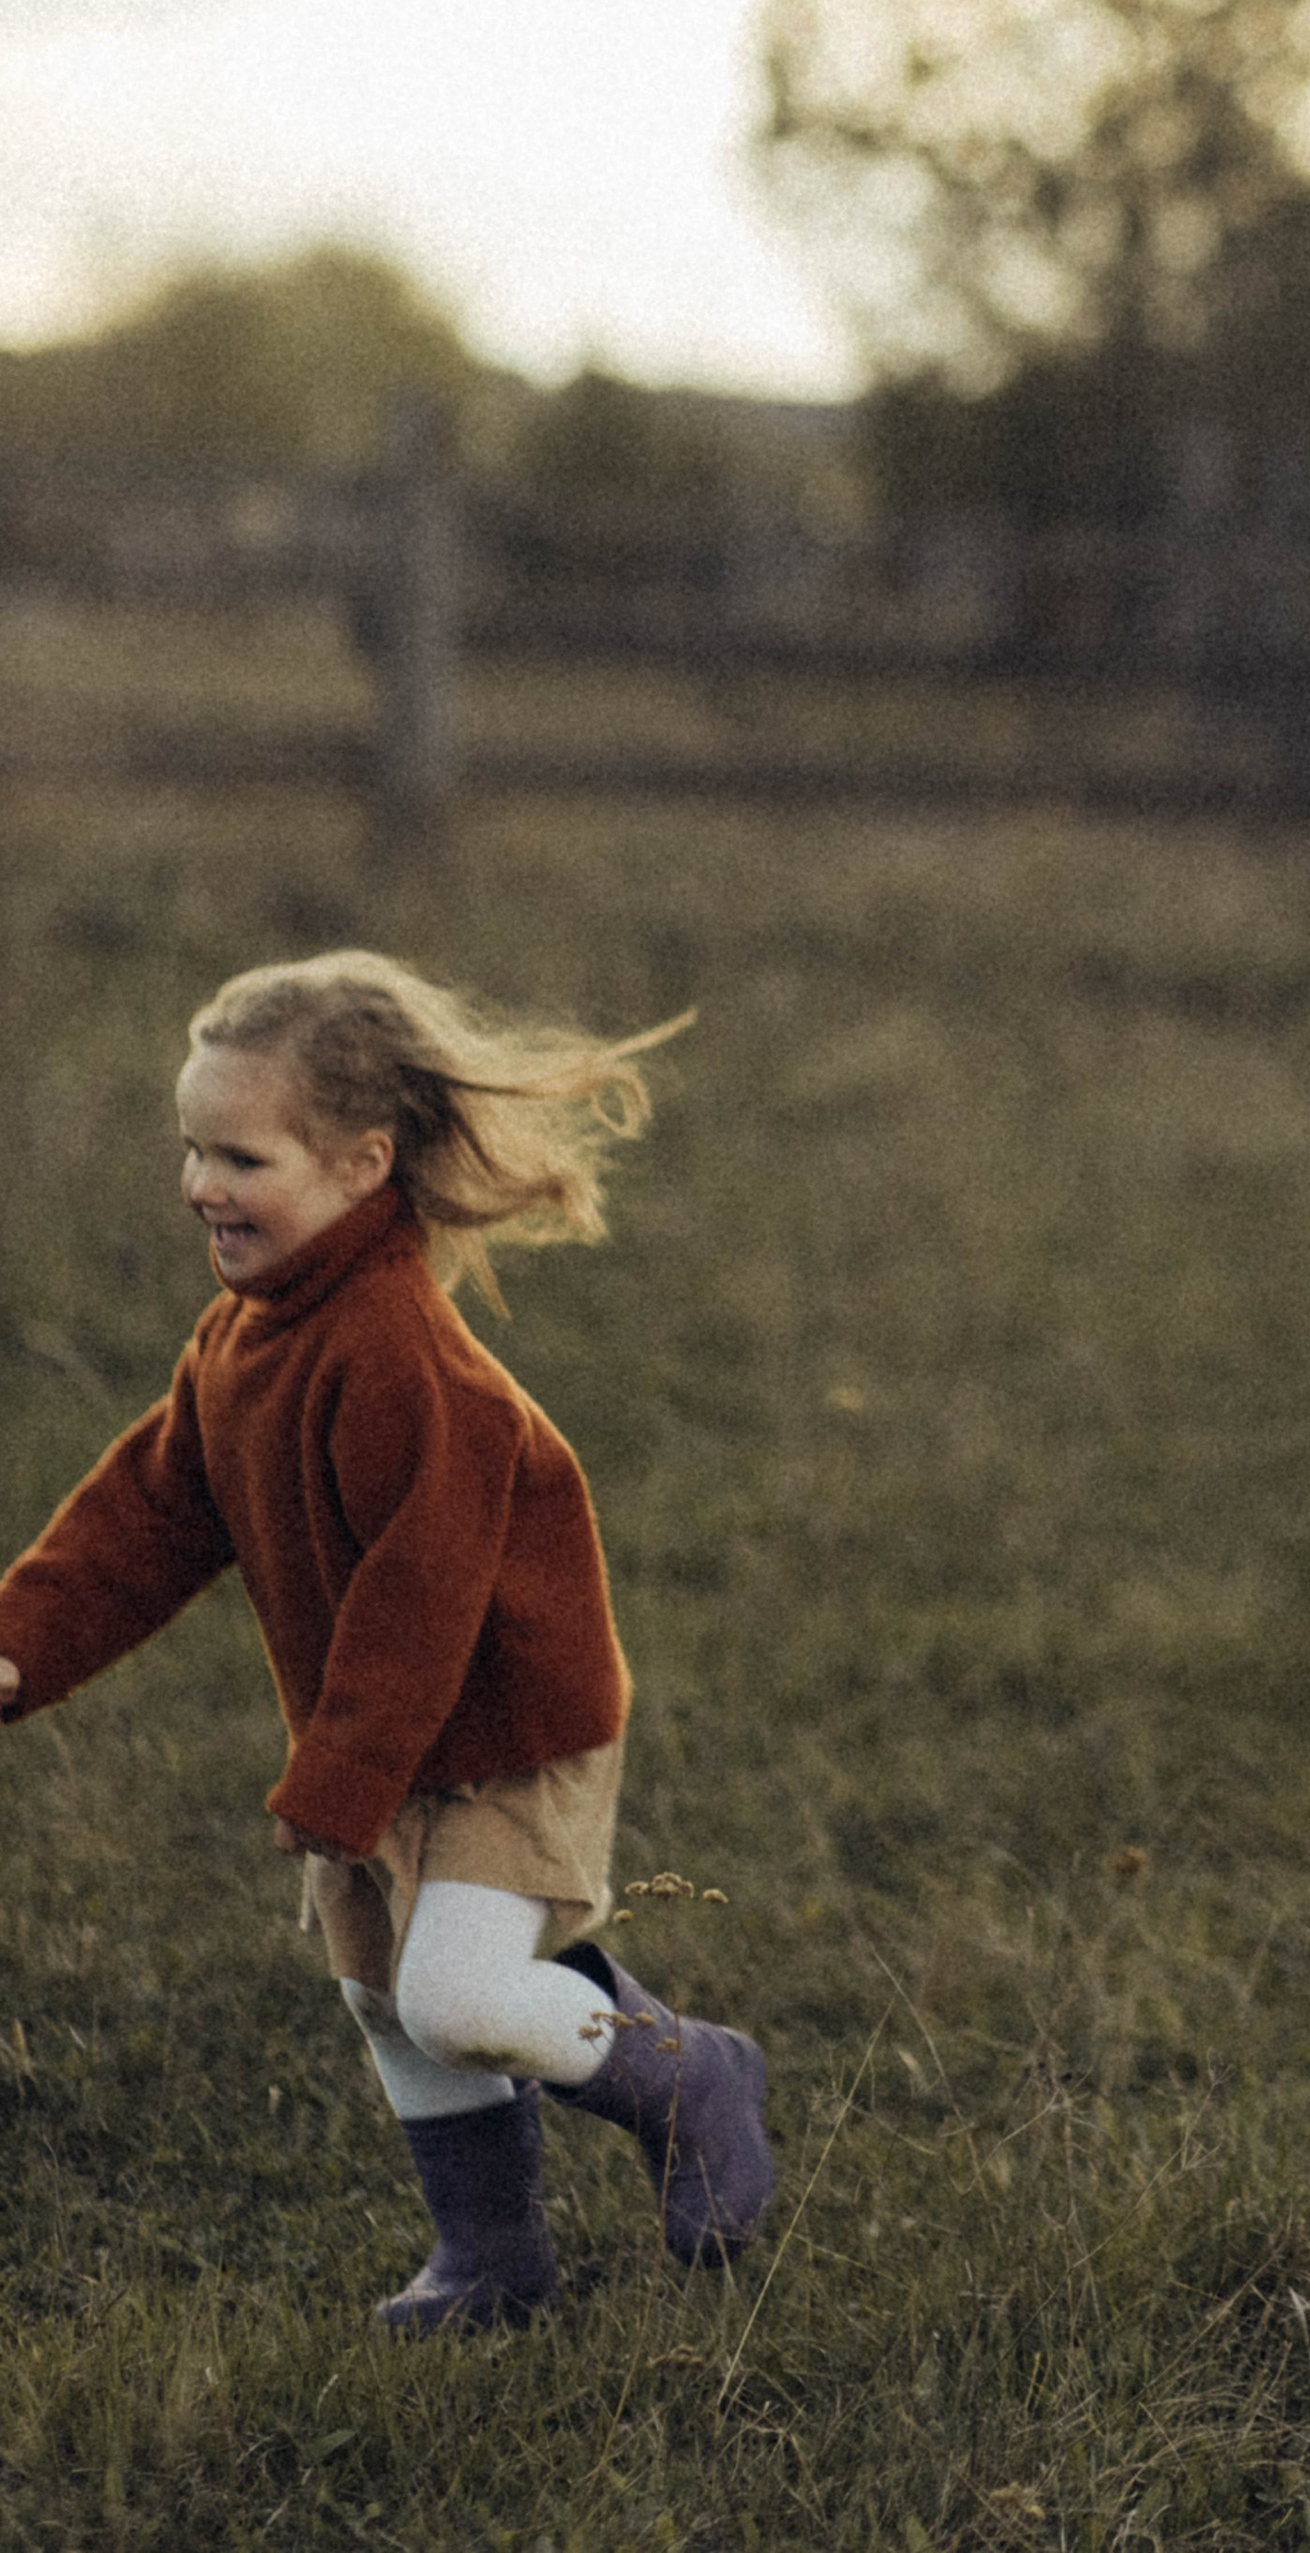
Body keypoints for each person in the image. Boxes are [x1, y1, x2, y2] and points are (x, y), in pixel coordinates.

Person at [0, 950, 777, 2335]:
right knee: (385, 2002)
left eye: (241, 1156)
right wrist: (21, 1642)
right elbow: (147, 1516)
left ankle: (688, 2074)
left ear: (363, 1167)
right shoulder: (244, 1336)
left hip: (502, 1728)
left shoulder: (400, 1355)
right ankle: (490, 2260)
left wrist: (338, 1784)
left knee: (461, 1998)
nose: (200, 1185)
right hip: (378, 1733)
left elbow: (426, 1604)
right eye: (191, 1148)